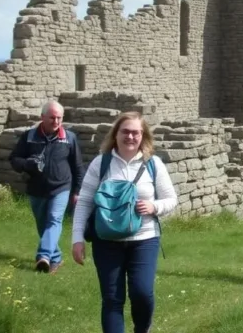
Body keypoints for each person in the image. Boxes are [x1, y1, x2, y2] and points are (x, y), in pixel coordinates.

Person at [70, 112, 178, 333]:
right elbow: (84, 204)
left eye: (135, 132)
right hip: (106, 241)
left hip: (144, 239)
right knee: (112, 299)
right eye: (125, 131)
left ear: (143, 136)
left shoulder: (153, 164)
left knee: (142, 293)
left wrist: (154, 207)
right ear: (116, 134)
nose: (130, 137)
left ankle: (142, 329)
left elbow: (171, 199)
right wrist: (77, 239)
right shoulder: (101, 164)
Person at [9, 100, 85, 273]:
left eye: (59, 118)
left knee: (54, 220)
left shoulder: (69, 138)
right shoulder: (29, 137)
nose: (56, 122)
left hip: (61, 188)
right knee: (43, 226)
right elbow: (14, 159)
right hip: (36, 189)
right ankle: (56, 258)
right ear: (42, 117)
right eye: (52, 118)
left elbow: (78, 167)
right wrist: (28, 164)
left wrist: (77, 191)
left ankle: (43, 256)